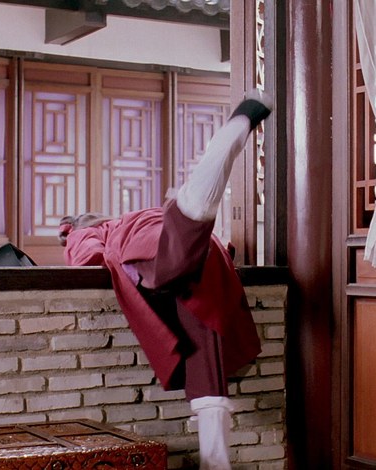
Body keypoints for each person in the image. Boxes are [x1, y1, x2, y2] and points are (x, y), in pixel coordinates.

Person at [58, 91, 272, 470]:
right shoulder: (125, 217)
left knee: (174, 248)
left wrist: (77, 245)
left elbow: (86, 259)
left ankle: (192, 203)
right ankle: (216, 464)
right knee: (206, 365)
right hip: (207, 258)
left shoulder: (93, 230)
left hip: (158, 241)